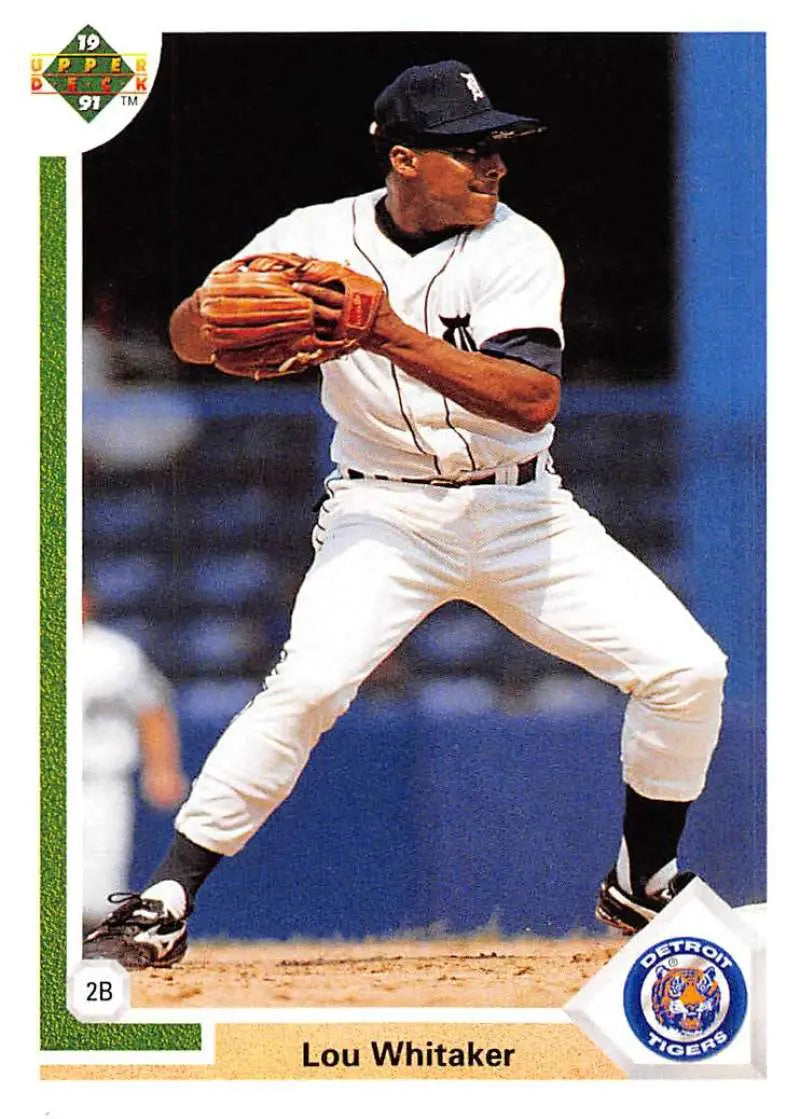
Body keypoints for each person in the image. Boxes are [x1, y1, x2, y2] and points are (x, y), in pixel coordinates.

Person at [84, 60, 727, 968]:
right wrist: (221, 313)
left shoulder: (519, 246)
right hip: (382, 513)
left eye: (496, 148)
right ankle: (166, 895)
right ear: (404, 159)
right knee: (307, 685)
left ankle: (642, 880)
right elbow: (193, 335)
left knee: (689, 669)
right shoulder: (312, 237)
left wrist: (383, 332)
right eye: (469, 151)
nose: (493, 166)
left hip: (522, 512)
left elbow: (531, 400)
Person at [82, 589, 188, 934]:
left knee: (94, 892)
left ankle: (85, 965)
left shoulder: (114, 653)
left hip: (98, 782)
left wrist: (163, 769)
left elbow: (153, 710)